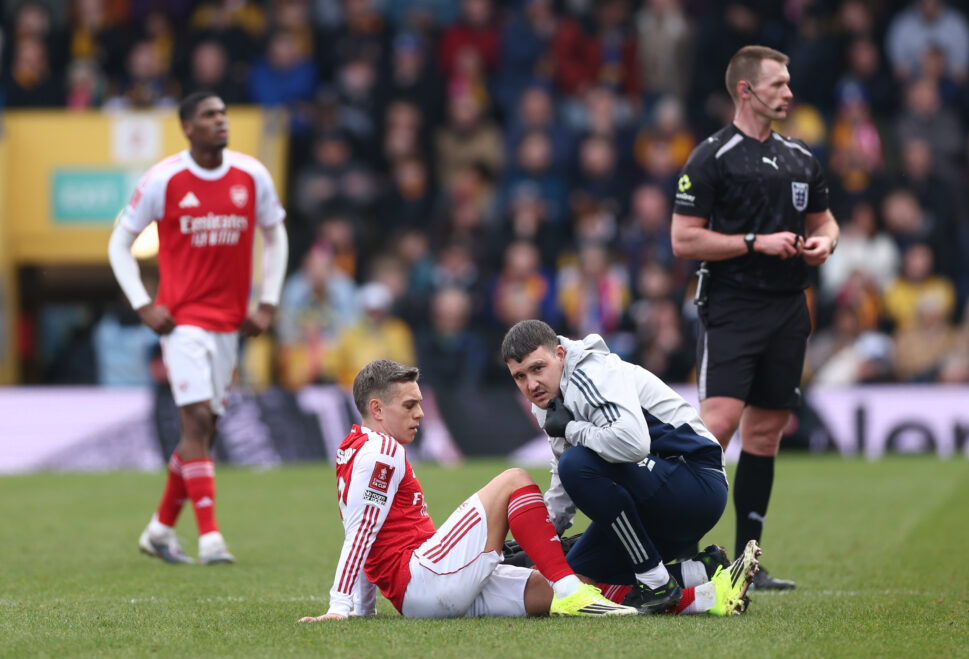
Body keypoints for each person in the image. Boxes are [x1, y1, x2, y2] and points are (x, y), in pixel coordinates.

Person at [670, 45, 840, 590]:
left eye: (788, 84)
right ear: (746, 90)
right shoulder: (712, 157)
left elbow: (828, 222)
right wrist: (753, 242)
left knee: (765, 434)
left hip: (789, 309)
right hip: (733, 308)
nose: (789, 93)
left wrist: (823, 244)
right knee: (714, 428)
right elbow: (683, 239)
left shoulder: (800, 159)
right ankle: (679, 550)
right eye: (778, 85)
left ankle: (748, 560)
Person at [298, 360, 637, 621]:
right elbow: (361, 533)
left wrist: (365, 608)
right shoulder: (383, 452)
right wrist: (340, 606)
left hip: (425, 591)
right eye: (409, 405)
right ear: (376, 409)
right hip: (424, 579)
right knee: (514, 480)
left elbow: (368, 534)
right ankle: (568, 589)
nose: (421, 412)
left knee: (553, 586)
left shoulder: (354, 448)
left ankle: (687, 593)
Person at [108, 91, 289, 565]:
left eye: (223, 113)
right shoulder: (164, 179)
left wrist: (267, 302)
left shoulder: (251, 175)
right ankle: (211, 539)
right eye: (209, 115)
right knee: (197, 422)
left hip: (229, 327)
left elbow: (276, 234)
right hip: (182, 323)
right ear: (188, 126)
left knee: (203, 434)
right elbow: (118, 243)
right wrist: (144, 304)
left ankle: (159, 530)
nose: (220, 120)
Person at [501, 319, 760, 616]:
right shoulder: (547, 396)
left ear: (560, 354)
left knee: (579, 463)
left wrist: (573, 429)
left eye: (537, 368)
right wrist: (546, 538)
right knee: (573, 578)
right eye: (519, 376)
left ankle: (655, 580)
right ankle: (702, 573)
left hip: (696, 486)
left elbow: (633, 444)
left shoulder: (590, 373)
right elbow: (563, 470)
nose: (531, 384)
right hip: (654, 496)